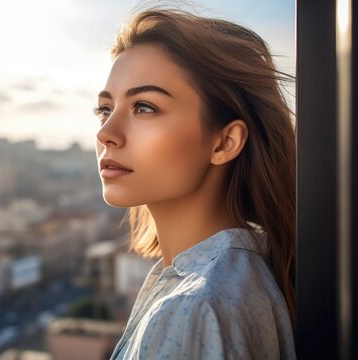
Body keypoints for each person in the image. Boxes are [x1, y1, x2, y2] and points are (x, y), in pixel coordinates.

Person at [93, 3, 296, 359]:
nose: (107, 133)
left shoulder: (194, 307)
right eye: (105, 110)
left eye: (144, 107)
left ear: (224, 142)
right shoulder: (237, 273)